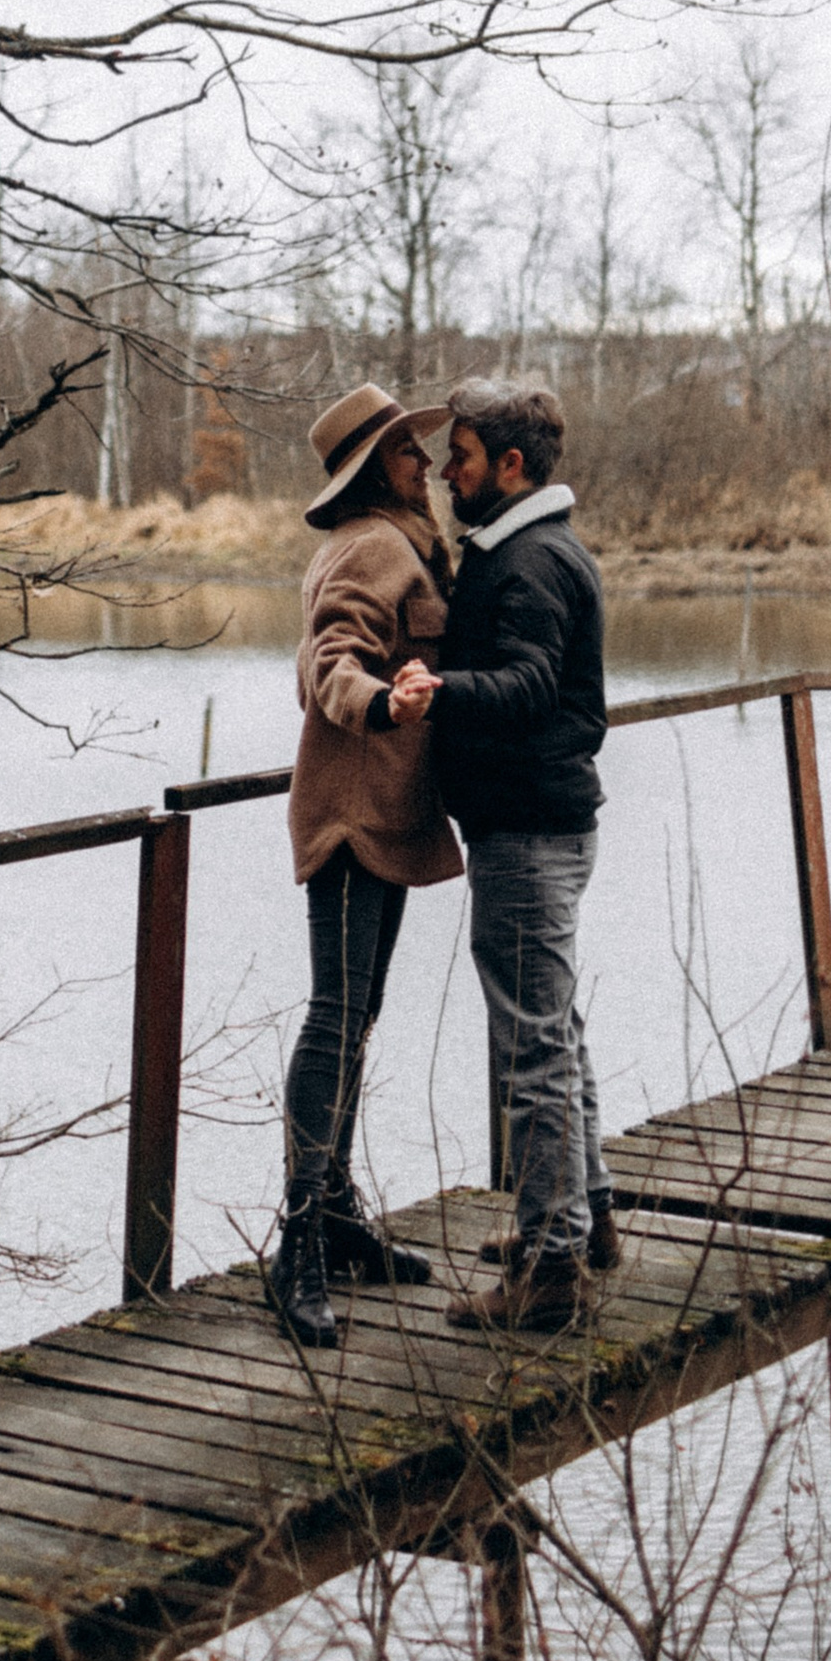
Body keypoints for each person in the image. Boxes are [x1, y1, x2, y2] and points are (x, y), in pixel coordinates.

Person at [389, 374, 614, 1331]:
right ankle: (583, 1221)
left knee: (531, 1050)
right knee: (551, 1030)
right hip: (542, 824)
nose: (447, 470)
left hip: (527, 833)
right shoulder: (531, 547)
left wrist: (436, 687)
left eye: (464, 456)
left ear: (510, 466)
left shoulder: (527, 561)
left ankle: (553, 1271)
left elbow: (525, 683)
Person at [267, 381, 464, 1348]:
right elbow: (329, 656)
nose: (422, 465)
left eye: (420, 453)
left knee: (357, 1014)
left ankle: (337, 1214)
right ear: (367, 474)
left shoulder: (405, 544)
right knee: (337, 1015)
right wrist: (382, 704)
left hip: (384, 812)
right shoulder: (372, 547)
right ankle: (298, 1246)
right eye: (403, 455)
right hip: (351, 811)